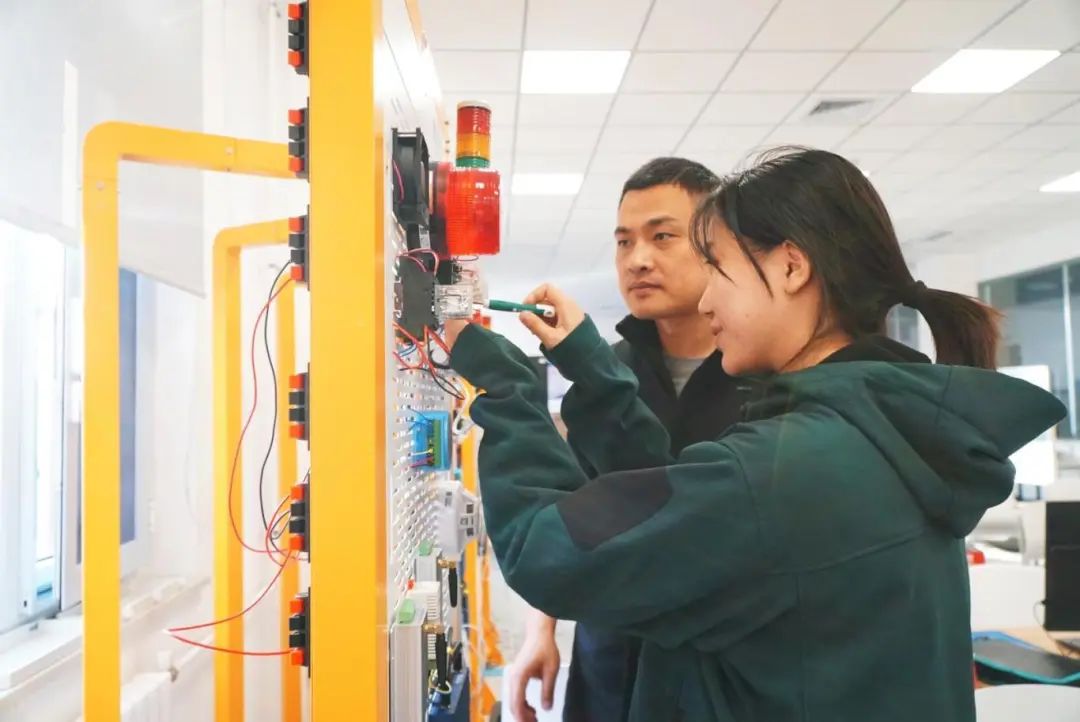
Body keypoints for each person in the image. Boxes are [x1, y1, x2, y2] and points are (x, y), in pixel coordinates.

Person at [445, 147, 1066, 722]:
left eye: (717, 267)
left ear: (791, 266)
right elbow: (675, 497)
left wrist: (507, 386)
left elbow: (545, 551)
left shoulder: (787, 465)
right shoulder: (882, 429)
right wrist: (590, 367)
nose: (706, 298)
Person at [507, 157, 744, 722]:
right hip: (611, 661)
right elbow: (570, 505)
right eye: (623, 242)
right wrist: (541, 630)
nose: (637, 259)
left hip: (721, 672)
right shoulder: (602, 374)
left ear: (716, 246)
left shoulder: (760, 372)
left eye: (662, 237)